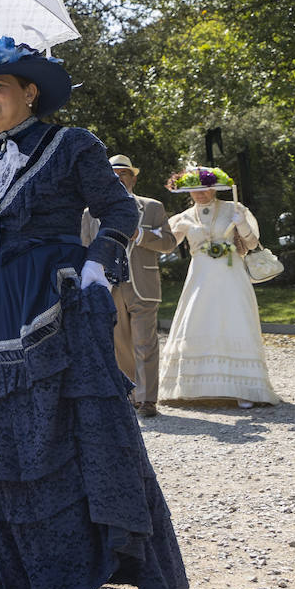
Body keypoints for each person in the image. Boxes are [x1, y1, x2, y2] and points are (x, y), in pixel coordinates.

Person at [0, 37, 188, 589]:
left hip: (54, 297)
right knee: (2, 433)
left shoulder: (71, 144)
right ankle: (24, 571)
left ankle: (73, 575)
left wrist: (97, 263)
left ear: (29, 91)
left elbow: (120, 211)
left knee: (64, 422)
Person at [159, 166, 281, 408]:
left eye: (205, 189)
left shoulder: (233, 208)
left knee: (235, 320)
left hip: (230, 274)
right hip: (200, 278)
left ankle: (246, 388)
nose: (201, 194)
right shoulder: (183, 217)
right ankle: (191, 386)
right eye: (195, 191)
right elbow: (166, 245)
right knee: (197, 320)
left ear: (214, 188)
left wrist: (241, 223)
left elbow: (252, 242)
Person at [82, 155, 178, 417]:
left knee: (145, 342)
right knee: (119, 343)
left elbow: (170, 243)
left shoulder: (153, 207)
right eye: (113, 173)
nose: (118, 177)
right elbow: (83, 247)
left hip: (142, 284)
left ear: (133, 178)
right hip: (108, 285)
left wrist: (141, 235)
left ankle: (148, 400)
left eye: (124, 173)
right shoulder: (91, 212)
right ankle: (130, 394)